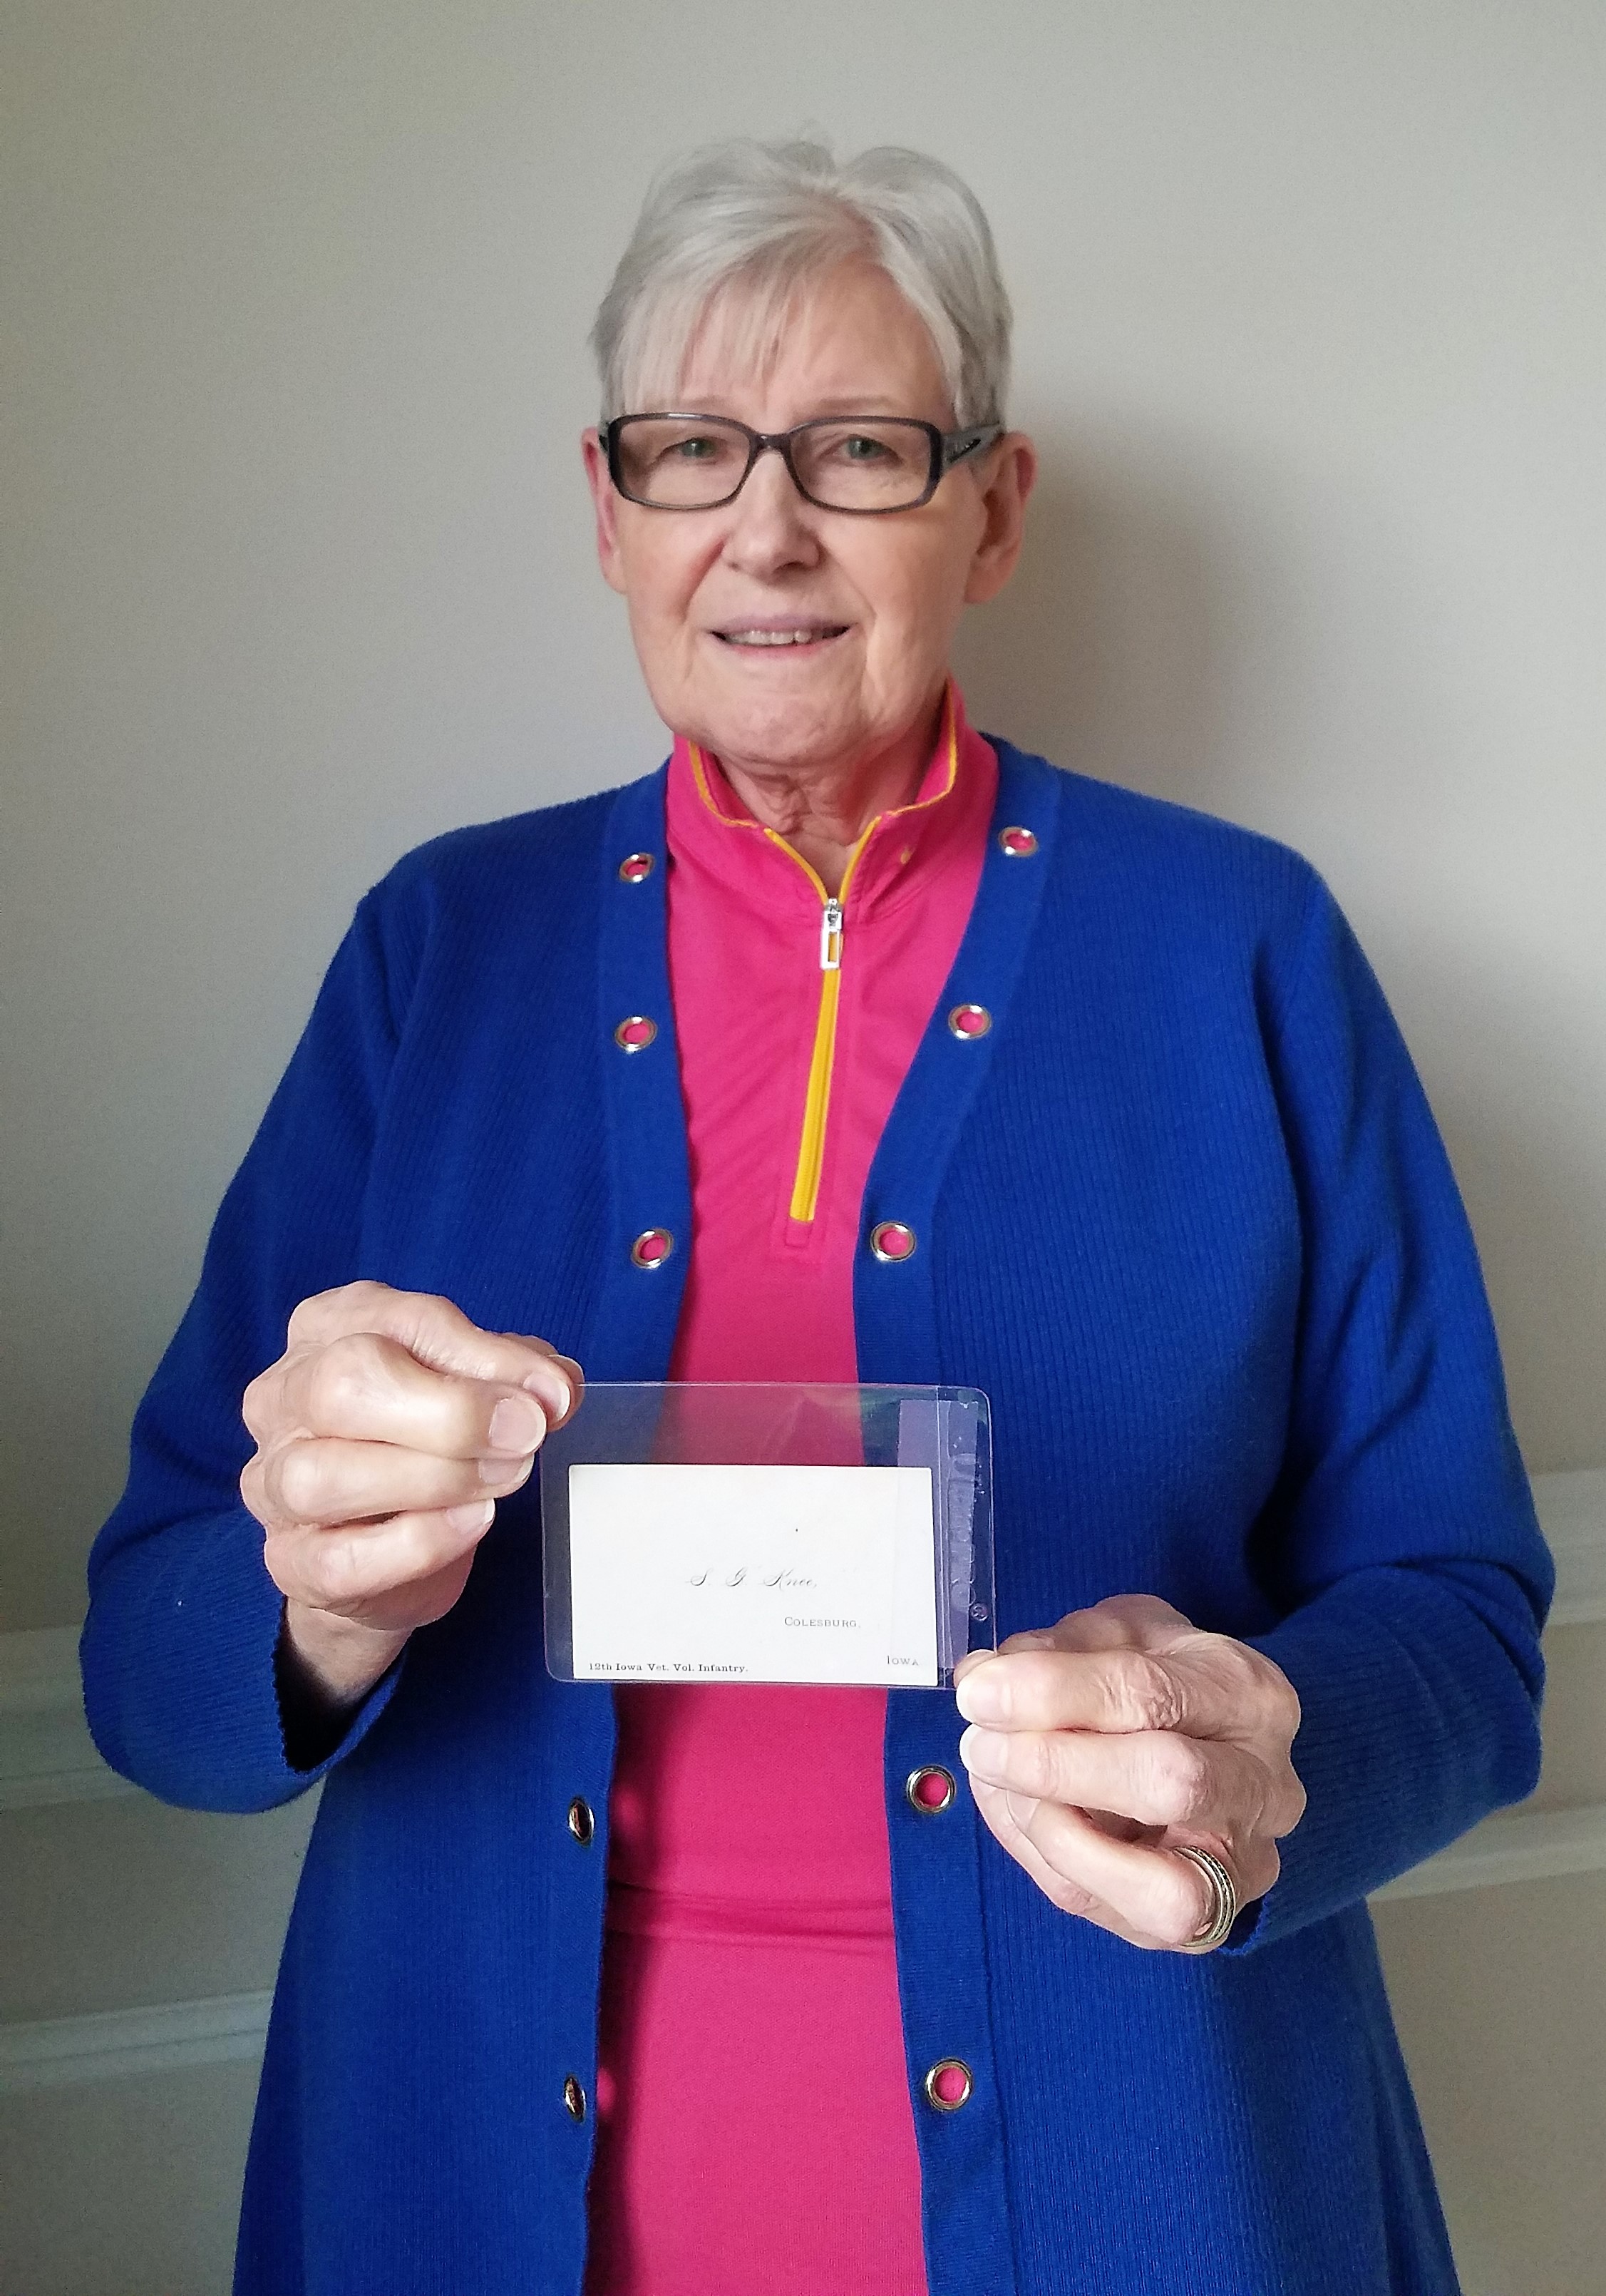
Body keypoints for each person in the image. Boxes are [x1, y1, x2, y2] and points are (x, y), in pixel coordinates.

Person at [82, 138, 1551, 2296]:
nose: (763, 527)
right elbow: (150, 1663)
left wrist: (1269, 1746)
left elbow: (1471, 1627)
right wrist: (313, 1606)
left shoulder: (1239, 947)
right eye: (690, 448)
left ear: (993, 508)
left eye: (858, 449)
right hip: (462, 2190)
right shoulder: (441, 949)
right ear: (611, 514)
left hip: (1142, 2197)